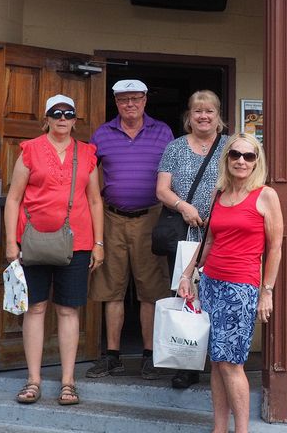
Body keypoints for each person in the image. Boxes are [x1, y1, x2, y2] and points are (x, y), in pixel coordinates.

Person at [177, 133, 283, 433]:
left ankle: (242, 431)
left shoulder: (265, 196)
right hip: (211, 282)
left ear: (256, 161)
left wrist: (267, 291)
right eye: (235, 154)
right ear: (227, 159)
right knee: (216, 360)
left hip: (242, 287)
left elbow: (275, 247)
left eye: (248, 156)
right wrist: (187, 275)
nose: (241, 161)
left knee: (231, 362)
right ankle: (219, 428)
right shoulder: (218, 193)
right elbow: (209, 239)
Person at [4, 94, 104, 406]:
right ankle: (33, 380)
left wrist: (99, 243)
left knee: (68, 309)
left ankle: (68, 382)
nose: (62, 118)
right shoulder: (30, 150)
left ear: (75, 120)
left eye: (68, 113)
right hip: (32, 241)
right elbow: (13, 198)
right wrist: (10, 241)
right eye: (56, 113)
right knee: (35, 308)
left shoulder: (87, 153)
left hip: (77, 243)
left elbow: (95, 200)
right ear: (46, 118)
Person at [87, 79, 174, 379]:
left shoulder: (163, 132)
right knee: (112, 290)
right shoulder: (102, 133)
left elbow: (176, 174)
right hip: (112, 218)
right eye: (124, 100)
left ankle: (150, 356)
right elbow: (86, 175)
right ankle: (112, 356)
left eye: (136, 98)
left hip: (152, 217)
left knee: (150, 291)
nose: (130, 105)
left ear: (145, 100)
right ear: (116, 102)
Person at [156, 90, 228, 389]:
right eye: (198, 111)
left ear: (218, 115)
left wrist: (218, 214)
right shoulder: (174, 147)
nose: (203, 116)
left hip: (221, 233)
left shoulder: (229, 147)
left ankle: (219, 363)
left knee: (217, 294)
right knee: (187, 296)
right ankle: (187, 364)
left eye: (209, 111)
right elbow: (162, 190)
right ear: (189, 115)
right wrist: (184, 207)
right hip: (186, 234)